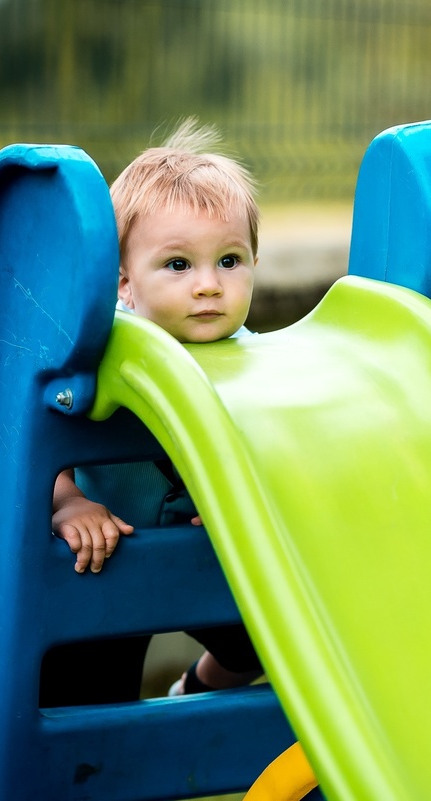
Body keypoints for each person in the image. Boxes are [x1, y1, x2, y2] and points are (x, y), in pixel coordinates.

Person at [41, 119, 264, 706]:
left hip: (204, 560)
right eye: (178, 265)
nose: (209, 286)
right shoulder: (98, 358)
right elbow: (34, 443)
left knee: (266, 642)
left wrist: (242, 502)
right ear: (123, 283)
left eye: (231, 261)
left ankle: (197, 687)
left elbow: (280, 453)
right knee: (91, 697)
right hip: (107, 556)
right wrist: (69, 503)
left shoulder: (259, 365)